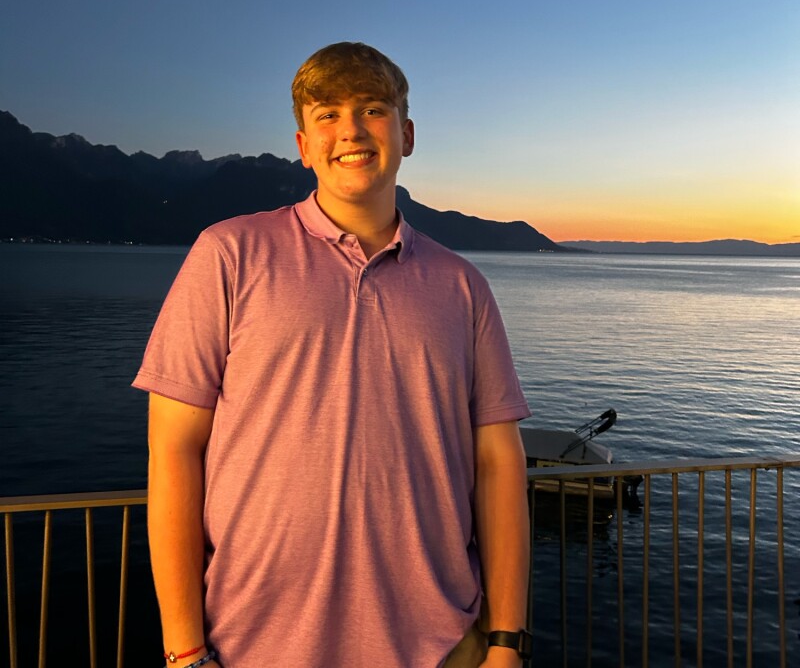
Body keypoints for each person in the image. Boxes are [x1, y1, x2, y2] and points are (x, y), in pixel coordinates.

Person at [135, 42, 532, 668]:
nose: (351, 129)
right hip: (251, 647)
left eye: (372, 109)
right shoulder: (229, 255)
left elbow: (498, 463)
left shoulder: (463, 286)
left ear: (406, 134)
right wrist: (185, 651)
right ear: (303, 144)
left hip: (442, 646)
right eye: (327, 114)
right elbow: (174, 451)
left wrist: (506, 642)